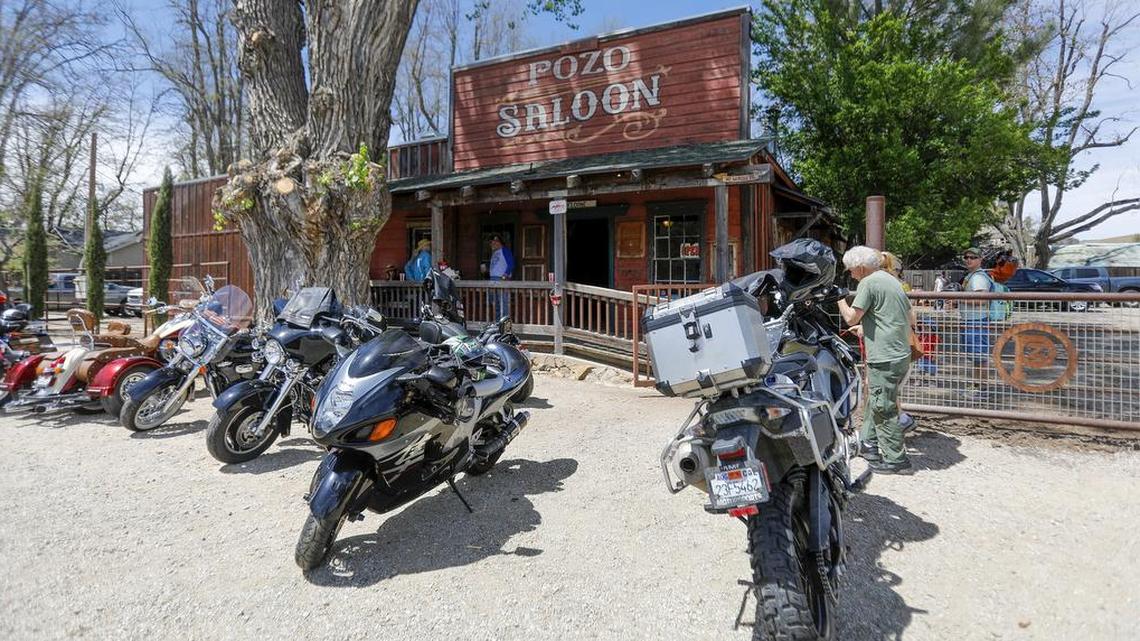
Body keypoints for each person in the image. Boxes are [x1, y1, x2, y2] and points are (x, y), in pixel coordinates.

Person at [837, 245, 914, 474]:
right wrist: (871, 326)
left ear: (860, 268)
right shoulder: (890, 280)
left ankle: (896, 459)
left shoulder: (868, 283)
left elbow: (851, 317)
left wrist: (839, 299)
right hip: (899, 351)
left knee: (883, 406)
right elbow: (909, 315)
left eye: (850, 270)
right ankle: (868, 443)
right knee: (877, 398)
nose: (850, 274)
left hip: (885, 355)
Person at [960, 246, 994, 401]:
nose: (968, 260)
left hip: (977, 321)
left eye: (972, 257)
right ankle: (977, 385)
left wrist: (959, 299)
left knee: (980, 356)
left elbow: (981, 300)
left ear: (980, 259)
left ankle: (982, 388)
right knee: (976, 357)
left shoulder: (978, 278)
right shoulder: (972, 276)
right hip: (971, 321)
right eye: (966, 257)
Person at [487, 235, 514, 318]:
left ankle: (505, 324)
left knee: (504, 304)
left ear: (499, 242)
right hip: (492, 281)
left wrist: (505, 275)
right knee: (495, 304)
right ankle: (498, 323)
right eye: (491, 243)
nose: (491, 244)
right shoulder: (494, 253)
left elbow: (511, 264)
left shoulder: (505, 251)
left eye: (493, 242)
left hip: (501, 280)